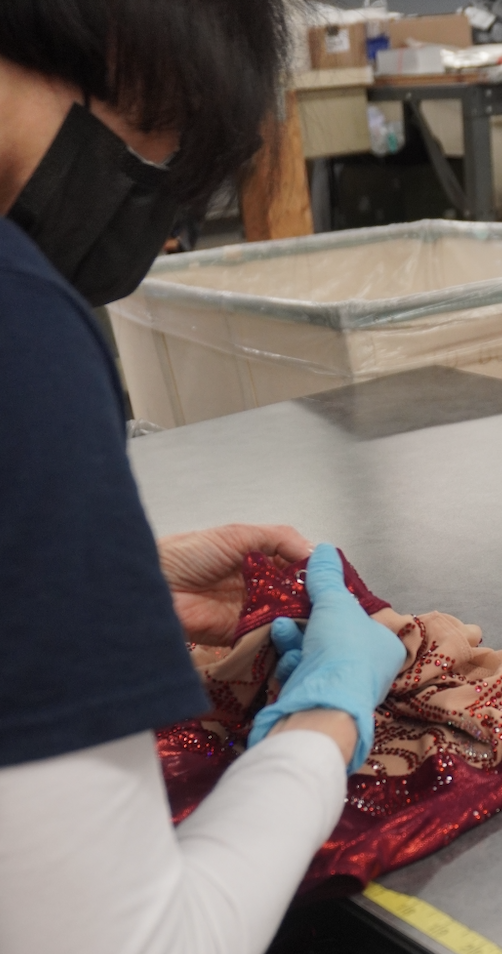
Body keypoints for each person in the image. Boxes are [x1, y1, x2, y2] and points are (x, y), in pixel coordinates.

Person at [0, 3, 407, 952]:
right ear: (132, 55)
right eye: (170, 161)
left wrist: (87, 579)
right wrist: (325, 722)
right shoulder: (21, 334)